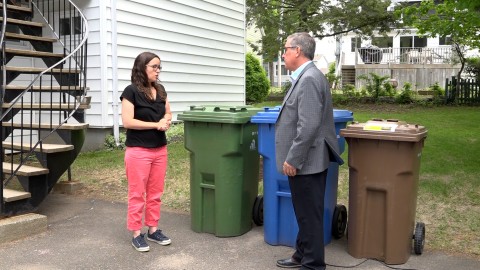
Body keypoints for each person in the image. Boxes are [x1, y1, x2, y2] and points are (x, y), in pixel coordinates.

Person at [275, 33, 343, 269]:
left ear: (297, 51)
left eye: (285, 49)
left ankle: (313, 264)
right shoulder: (306, 76)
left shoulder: (310, 79)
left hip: (307, 161)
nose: (283, 53)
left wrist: (293, 158)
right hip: (309, 159)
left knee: (308, 216)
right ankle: (301, 255)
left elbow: (309, 125)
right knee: (305, 213)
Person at [120, 51, 172, 252]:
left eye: (159, 67)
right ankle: (136, 233)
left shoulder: (160, 90)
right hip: (138, 151)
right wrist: (155, 124)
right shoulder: (130, 91)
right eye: (154, 67)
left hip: (160, 150)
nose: (158, 71)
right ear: (143, 68)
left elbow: (168, 112)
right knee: (137, 194)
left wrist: (166, 121)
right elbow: (128, 122)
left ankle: (153, 230)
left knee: (155, 193)